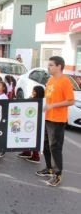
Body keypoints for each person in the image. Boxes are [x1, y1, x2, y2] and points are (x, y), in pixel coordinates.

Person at [36, 56, 74, 187]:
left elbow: (71, 101)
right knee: (46, 145)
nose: (48, 67)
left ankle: (57, 174)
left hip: (58, 120)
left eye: (51, 65)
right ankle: (49, 168)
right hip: (48, 117)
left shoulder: (65, 81)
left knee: (55, 147)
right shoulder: (51, 80)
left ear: (59, 66)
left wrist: (53, 106)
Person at [18, 85, 44, 163]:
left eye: (34, 91)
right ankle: (26, 152)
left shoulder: (40, 101)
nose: (32, 92)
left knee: (33, 139)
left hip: (35, 124)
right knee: (26, 137)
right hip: (28, 122)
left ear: (37, 92)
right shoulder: (33, 99)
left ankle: (36, 156)